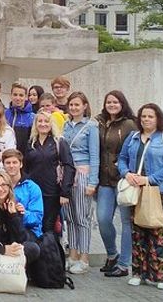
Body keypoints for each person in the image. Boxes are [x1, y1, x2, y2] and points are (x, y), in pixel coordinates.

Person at [118, 103, 163, 290]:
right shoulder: (133, 137)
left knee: (159, 234)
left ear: (158, 118)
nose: (146, 119)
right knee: (137, 233)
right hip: (136, 191)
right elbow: (121, 158)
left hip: (159, 192)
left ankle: (162, 275)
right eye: (143, 116)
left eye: (150, 116)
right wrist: (126, 173)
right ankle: (138, 272)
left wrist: (149, 179)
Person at [95, 90, 137, 278]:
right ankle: (112, 254)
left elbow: (134, 151)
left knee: (126, 223)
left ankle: (124, 263)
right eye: (108, 102)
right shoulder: (99, 123)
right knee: (103, 220)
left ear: (122, 104)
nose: (112, 105)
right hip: (104, 179)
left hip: (123, 180)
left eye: (115, 102)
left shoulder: (129, 124)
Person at [61, 91, 99, 274]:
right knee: (70, 217)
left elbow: (95, 156)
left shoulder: (91, 127)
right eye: (72, 104)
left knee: (82, 218)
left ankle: (84, 257)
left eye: (78, 104)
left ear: (84, 106)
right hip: (67, 174)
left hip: (83, 174)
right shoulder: (66, 126)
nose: (74, 108)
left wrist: (93, 182)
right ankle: (73, 253)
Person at [24, 109, 75, 235]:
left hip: (52, 192)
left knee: (48, 226)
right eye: (39, 121)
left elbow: (69, 166)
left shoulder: (59, 142)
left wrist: (65, 192)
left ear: (51, 123)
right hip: (34, 192)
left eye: (46, 121)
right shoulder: (31, 143)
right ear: (35, 124)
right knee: (34, 225)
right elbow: (25, 167)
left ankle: (51, 253)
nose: (43, 124)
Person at [0, 149, 43, 240]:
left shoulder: (32, 187)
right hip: (5, 229)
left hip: (28, 230)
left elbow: (37, 218)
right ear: (3, 165)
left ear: (21, 164)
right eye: (8, 163)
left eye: (15, 162)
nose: (11, 166)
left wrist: (23, 213)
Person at [5, 82, 34, 154]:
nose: (18, 98)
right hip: (6, 158)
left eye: (21, 95)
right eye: (15, 95)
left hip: (24, 159)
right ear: (11, 95)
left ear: (26, 97)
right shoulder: (3, 114)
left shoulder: (32, 117)